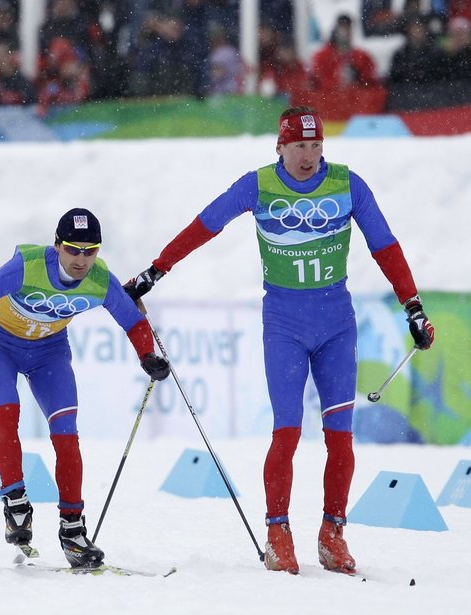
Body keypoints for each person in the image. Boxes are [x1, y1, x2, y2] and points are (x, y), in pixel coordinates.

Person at [124, 106, 435, 575]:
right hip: (285, 325)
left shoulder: (348, 184)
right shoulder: (259, 184)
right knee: (286, 431)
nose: (308, 157)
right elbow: (206, 224)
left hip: (336, 324)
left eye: (316, 146)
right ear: (280, 147)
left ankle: (333, 534)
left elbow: (384, 246)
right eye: (299, 147)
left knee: (341, 439)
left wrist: (413, 306)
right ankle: (278, 532)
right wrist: (155, 271)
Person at [0, 208, 171, 568]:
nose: (82, 259)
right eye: (73, 249)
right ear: (57, 246)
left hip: (48, 354)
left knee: (66, 435)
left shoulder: (99, 279)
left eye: (91, 250)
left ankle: (73, 530)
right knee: (8, 414)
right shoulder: (28, 266)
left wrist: (148, 355)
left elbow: (133, 321)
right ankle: (16, 504)